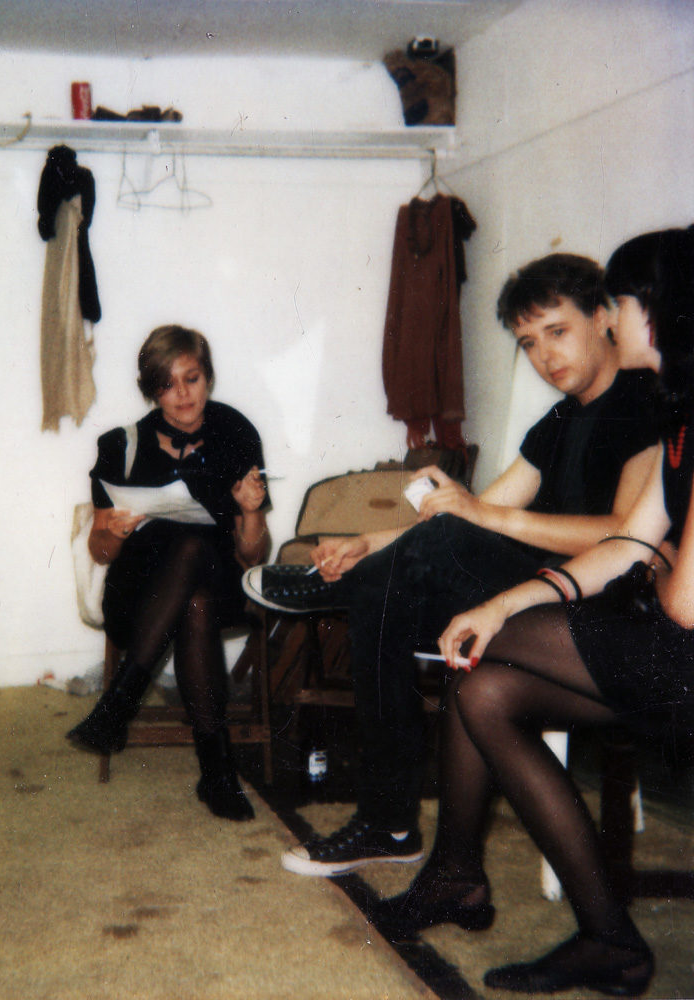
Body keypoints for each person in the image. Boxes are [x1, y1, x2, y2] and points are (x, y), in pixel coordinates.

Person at [244, 254, 659, 873]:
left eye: (557, 331)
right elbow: (475, 512)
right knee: (385, 589)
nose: (544, 356)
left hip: (594, 606)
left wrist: (482, 517)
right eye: (528, 342)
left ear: (603, 317)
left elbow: (624, 537)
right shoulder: (560, 419)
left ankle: (387, 822)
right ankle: (386, 822)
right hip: (533, 596)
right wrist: (369, 541)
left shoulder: (644, 402)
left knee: (396, 579)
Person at [375, 227, 694, 997]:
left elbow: (682, 599)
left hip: (680, 648)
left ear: (664, 309)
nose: (618, 313)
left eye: (626, 300)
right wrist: (502, 604)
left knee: (482, 657)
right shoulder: (680, 419)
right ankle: (603, 937)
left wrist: (650, 573)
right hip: (665, 642)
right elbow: (628, 543)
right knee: (481, 683)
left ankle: (441, 859)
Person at [67, 325, 270, 821]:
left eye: (191, 379)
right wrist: (115, 531)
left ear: (208, 378)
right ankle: (217, 773)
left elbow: (253, 555)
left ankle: (120, 703)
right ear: (151, 390)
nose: (182, 394)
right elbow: (99, 552)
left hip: (221, 580)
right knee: (193, 597)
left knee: (196, 553)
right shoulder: (121, 445)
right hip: (138, 593)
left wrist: (251, 512)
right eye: (167, 384)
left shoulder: (236, 433)